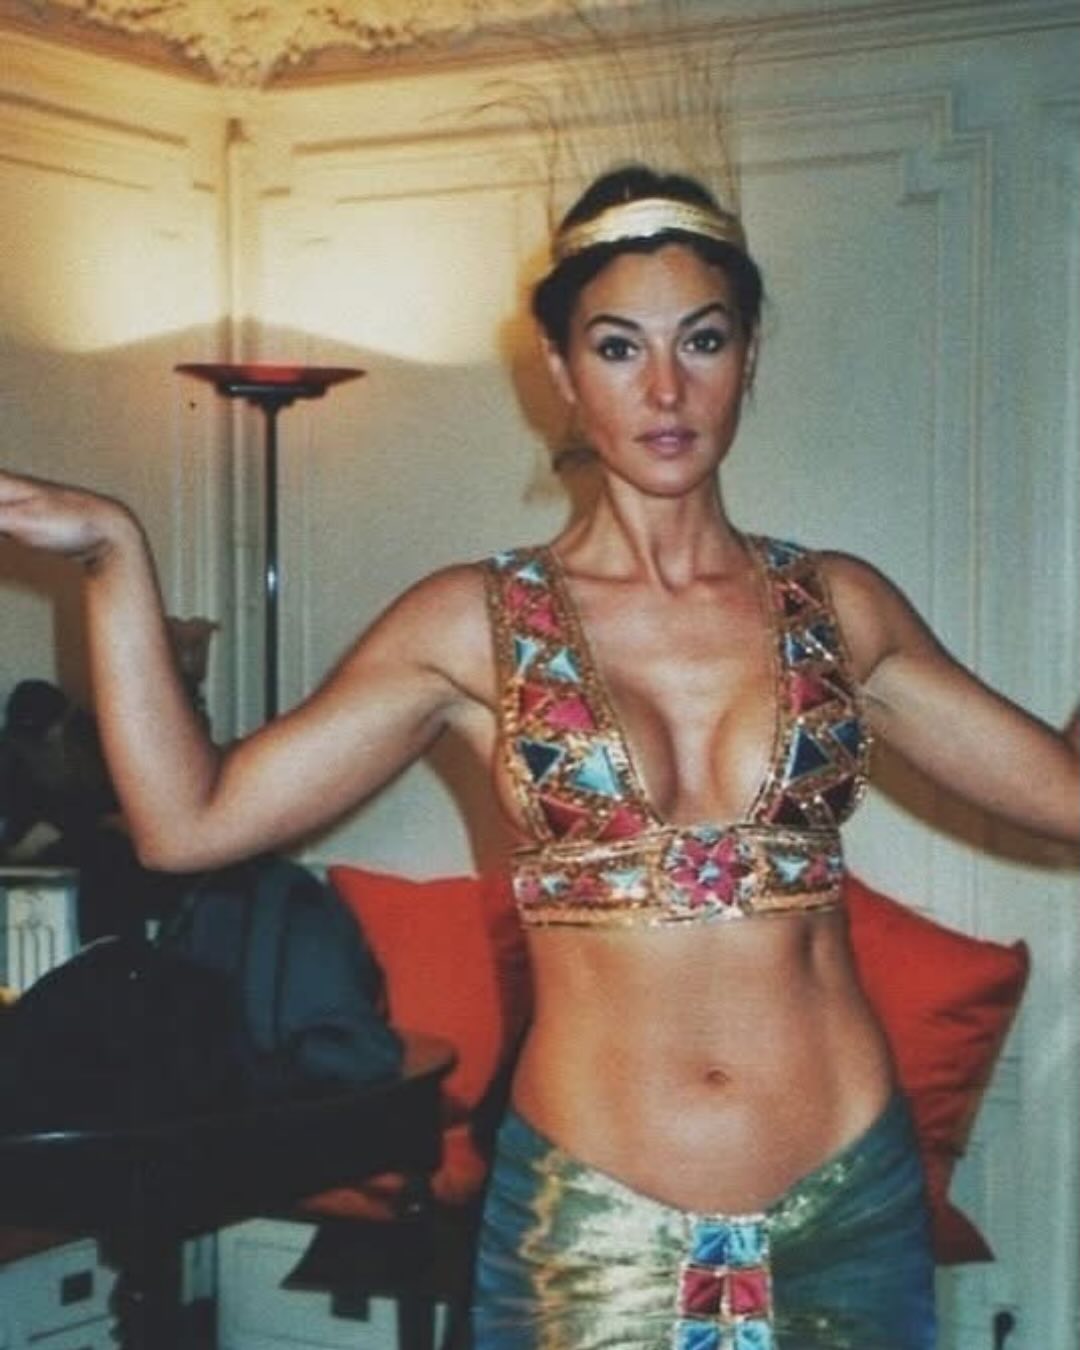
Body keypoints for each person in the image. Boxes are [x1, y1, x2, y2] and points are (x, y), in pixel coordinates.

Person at [0, 164, 1077, 1349]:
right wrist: (112, 553)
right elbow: (186, 824)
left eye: (703, 339)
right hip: (587, 1238)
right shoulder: (470, 622)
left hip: (850, 1220)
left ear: (749, 356)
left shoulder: (842, 606)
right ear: (562, 372)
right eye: (618, 348)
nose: (666, 388)